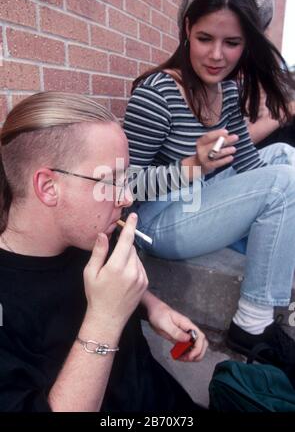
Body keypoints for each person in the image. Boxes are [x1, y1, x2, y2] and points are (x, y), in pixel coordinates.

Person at [123, 0, 295, 368]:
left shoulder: (226, 88)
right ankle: (251, 324)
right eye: (205, 38)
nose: (217, 55)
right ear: (187, 29)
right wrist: (192, 165)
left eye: (231, 43)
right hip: (158, 220)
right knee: (283, 181)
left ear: (246, 45)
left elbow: (250, 161)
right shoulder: (157, 94)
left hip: (203, 198)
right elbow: (123, 186)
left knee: (283, 158)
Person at [0, 92, 208, 412]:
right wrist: (105, 321)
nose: (126, 197)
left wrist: (152, 308)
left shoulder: (92, 235)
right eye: (111, 181)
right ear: (48, 187)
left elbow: (113, 284)